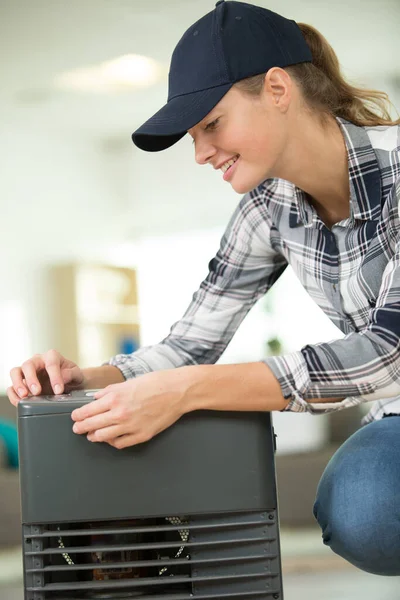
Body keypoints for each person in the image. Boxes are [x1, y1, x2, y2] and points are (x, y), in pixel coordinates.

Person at [7, 0, 400, 577]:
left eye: (211, 125)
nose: (200, 154)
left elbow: (388, 351)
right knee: (367, 511)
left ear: (276, 89)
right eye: (194, 136)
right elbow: (189, 346)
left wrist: (189, 391)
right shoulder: (267, 207)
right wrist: (84, 379)